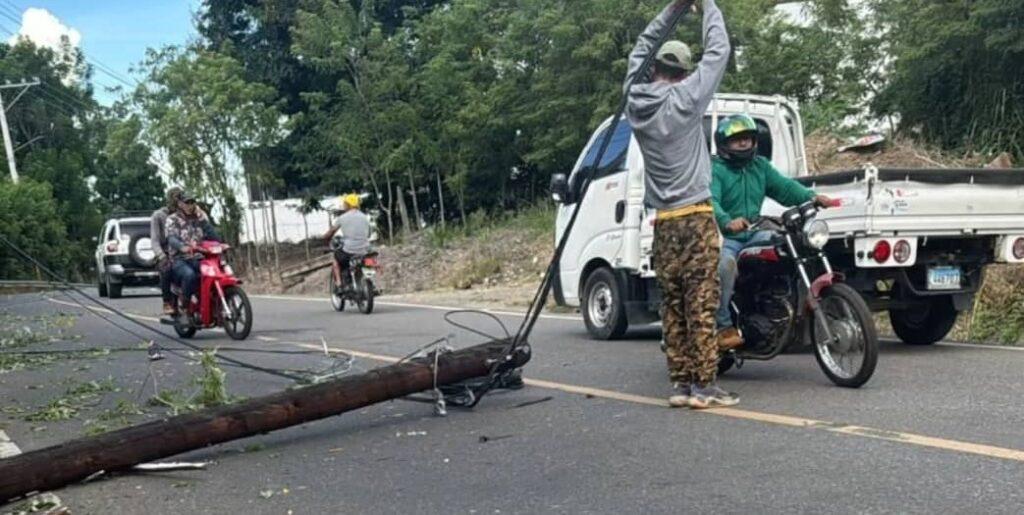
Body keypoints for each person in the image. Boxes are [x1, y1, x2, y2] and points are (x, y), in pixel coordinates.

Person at [625, 0, 734, 409]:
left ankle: (681, 384)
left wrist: (673, 8)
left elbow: (642, 45)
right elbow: (718, 50)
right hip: (697, 215)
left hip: (664, 222)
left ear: (654, 69)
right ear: (684, 73)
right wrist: (706, 6)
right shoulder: (689, 97)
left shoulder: (635, 100)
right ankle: (705, 386)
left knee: (672, 305)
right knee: (701, 301)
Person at [710, 114, 832, 348]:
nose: (744, 143)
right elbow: (711, 200)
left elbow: (785, 188)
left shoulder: (760, 166)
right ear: (724, 144)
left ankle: (781, 303)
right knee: (725, 266)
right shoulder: (716, 169)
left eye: (747, 138)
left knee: (791, 243)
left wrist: (812, 197)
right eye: (737, 140)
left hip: (755, 231)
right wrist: (727, 221)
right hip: (726, 237)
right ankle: (723, 327)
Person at [165, 191, 220, 310]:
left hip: (199, 257)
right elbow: (171, 238)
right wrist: (182, 247)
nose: (190, 205)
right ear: (180, 204)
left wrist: (221, 243)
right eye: (187, 202)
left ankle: (210, 303)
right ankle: (185, 308)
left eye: (192, 202)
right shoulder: (172, 219)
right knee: (189, 275)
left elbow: (213, 235)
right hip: (179, 259)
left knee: (214, 273)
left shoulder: (200, 218)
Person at [322, 194, 372, 291]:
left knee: (336, 259)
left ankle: (340, 285)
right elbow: (368, 234)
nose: (343, 205)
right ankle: (370, 283)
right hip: (365, 250)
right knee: (369, 262)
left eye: (344, 203)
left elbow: (331, 232)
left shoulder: (342, 218)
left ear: (348, 205)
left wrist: (324, 239)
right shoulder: (364, 217)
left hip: (349, 250)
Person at [151, 187, 183, 315]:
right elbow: (154, 240)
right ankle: (167, 301)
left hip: (183, 252)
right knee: (166, 268)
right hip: (165, 253)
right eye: (175, 197)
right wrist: (162, 256)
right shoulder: (158, 216)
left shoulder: (185, 214)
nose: (177, 201)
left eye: (180, 197)